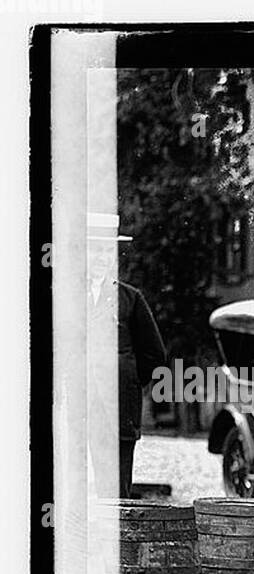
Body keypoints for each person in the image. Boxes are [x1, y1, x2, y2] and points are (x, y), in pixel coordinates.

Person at [86, 213, 166, 499]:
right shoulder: (64, 295)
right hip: (76, 404)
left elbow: (155, 354)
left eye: (107, 250)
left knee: (115, 487)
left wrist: (127, 378)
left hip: (117, 403)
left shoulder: (130, 298)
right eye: (95, 249)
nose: (101, 257)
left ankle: (116, 537)